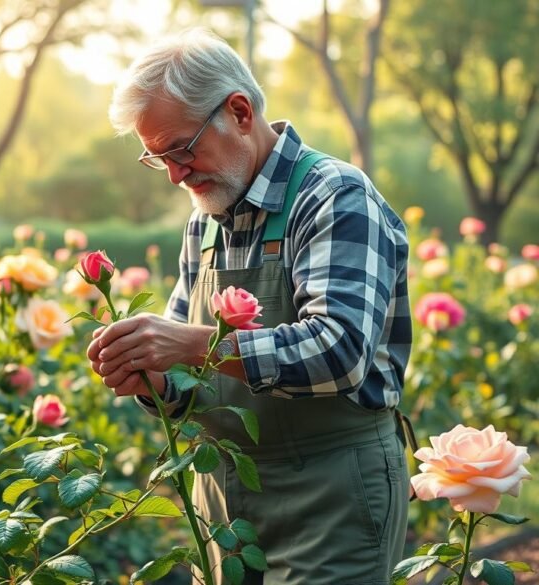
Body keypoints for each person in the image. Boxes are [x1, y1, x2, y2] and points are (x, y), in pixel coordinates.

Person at [88, 28, 412, 584]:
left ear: (239, 112)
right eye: (157, 158)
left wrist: (190, 344)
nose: (175, 174)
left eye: (180, 149)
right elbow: (192, 378)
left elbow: (340, 351)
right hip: (224, 501)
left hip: (331, 493)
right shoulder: (205, 221)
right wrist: (153, 378)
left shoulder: (334, 196)